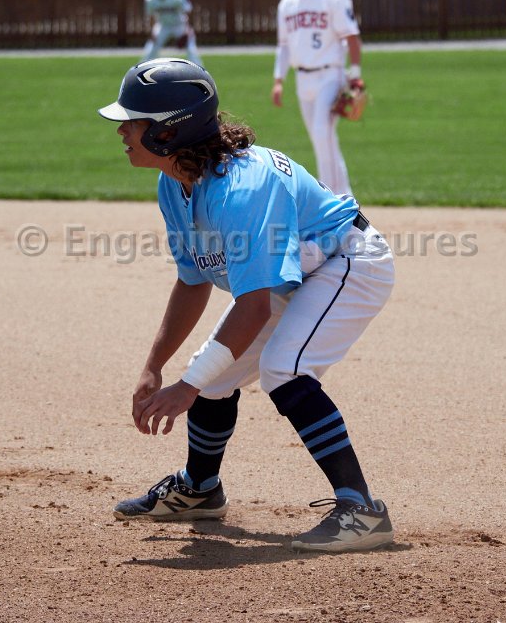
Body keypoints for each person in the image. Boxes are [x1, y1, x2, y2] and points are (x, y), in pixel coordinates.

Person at [99, 57, 395, 553]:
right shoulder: (175, 182)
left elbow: (254, 306)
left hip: (346, 261)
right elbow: (192, 281)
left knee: (285, 368)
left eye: (134, 121)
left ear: (170, 131)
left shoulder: (244, 190)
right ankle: (200, 489)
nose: (122, 130)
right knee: (213, 374)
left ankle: (361, 510)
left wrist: (186, 388)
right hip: (298, 271)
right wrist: (156, 367)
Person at [271, 0, 364, 197]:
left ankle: (329, 197)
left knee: (323, 133)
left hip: (330, 75)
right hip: (303, 79)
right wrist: (278, 80)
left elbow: (352, 38)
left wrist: (355, 75)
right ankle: (344, 196)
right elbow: (283, 45)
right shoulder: (287, 3)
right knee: (322, 140)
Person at [142, 0, 203, 67]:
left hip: (179, 25)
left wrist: (187, 29)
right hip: (163, 26)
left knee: (191, 49)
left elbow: (188, 11)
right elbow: (150, 15)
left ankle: (198, 69)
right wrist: (152, 32)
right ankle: (144, 69)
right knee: (151, 48)